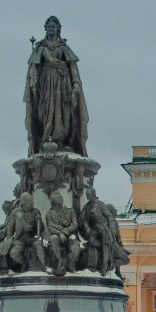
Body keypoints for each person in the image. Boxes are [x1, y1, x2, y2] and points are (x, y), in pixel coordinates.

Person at [24, 16, 89, 157]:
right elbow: (34, 67)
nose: (51, 28)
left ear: (58, 29)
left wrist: (76, 83)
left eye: (54, 26)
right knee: (44, 109)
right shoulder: (40, 47)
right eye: (49, 26)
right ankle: (45, 138)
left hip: (62, 82)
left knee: (63, 111)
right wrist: (33, 81)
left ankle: (60, 140)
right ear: (46, 29)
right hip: (46, 82)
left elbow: (72, 66)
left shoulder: (63, 48)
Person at [6, 193, 48, 272]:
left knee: (39, 244)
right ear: (24, 203)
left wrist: (39, 221)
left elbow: (41, 229)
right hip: (21, 238)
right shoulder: (15, 213)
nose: (33, 202)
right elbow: (10, 227)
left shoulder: (36, 211)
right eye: (30, 201)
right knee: (13, 253)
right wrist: (9, 237)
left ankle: (43, 265)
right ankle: (24, 264)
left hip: (32, 236)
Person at [45, 191, 80, 275]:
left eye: (61, 196)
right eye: (58, 197)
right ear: (53, 201)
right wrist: (60, 233)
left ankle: (69, 263)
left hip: (69, 235)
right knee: (53, 238)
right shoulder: (49, 214)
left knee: (75, 248)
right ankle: (60, 261)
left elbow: (75, 224)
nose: (61, 198)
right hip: (57, 236)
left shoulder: (70, 211)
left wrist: (67, 230)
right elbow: (50, 227)